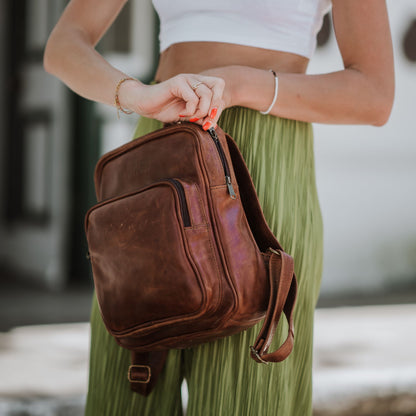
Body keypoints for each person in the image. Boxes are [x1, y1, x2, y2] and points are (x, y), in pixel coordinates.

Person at [44, 0, 394, 415]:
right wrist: (136, 95)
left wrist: (239, 84)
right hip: (162, 141)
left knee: (242, 395)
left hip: (263, 168)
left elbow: (374, 94)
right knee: (125, 386)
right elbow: (64, 46)